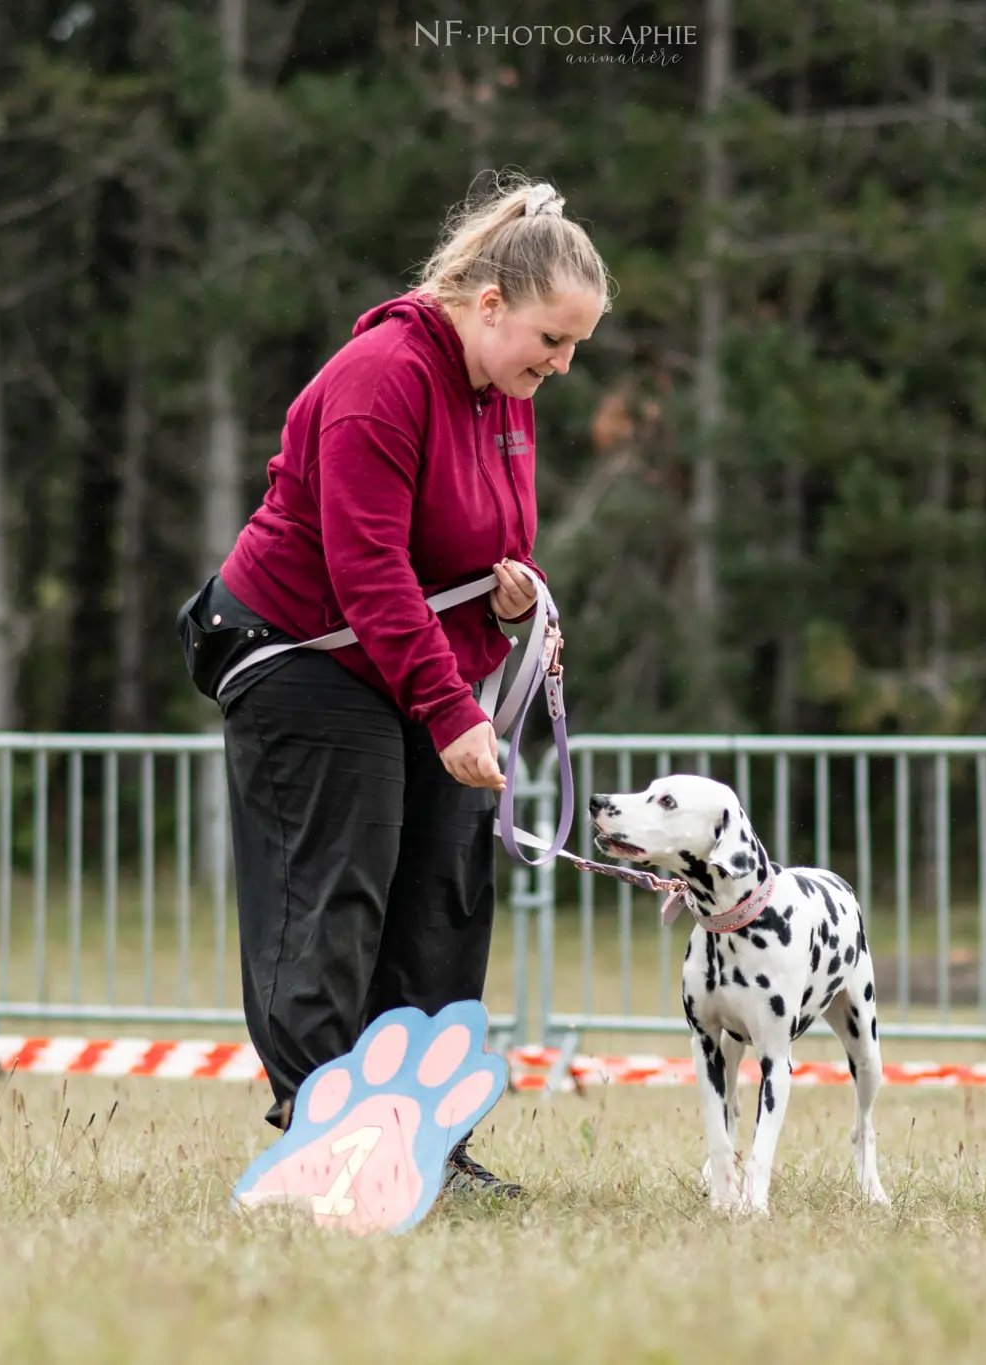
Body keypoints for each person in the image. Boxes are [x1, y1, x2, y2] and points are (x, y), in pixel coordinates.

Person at [177, 173, 610, 1198]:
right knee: (339, 886)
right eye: (552, 340)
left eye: (576, 348)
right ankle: (320, 1132)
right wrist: (448, 710)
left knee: (444, 898)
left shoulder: (502, 392)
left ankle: (423, 1143)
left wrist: (512, 609)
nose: (561, 364)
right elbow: (364, 566)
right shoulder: (383, 374)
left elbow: (489, 543)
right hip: (299, 649)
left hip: (412, 659)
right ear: (489, 304)